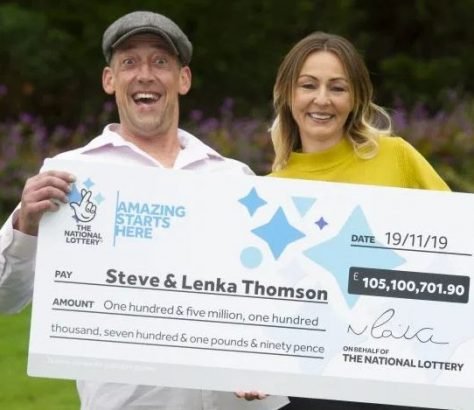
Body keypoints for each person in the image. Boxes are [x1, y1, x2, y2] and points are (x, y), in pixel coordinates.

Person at [0, 10, 288, 410]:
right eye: (130, 62)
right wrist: (25, 225)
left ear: (183, 79)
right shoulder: (68, 176)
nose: (145, 75)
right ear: (109, 79)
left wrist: (266, 360)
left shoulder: (233, 177)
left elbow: (273, 296)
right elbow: (6, 299)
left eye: (160, 62)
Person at [269, 32, 450, 410]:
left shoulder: (395, 156)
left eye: (337, 88)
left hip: (405, 377)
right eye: (308, 85)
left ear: (355, 99)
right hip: (316, 390)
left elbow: (459, 246)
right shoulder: (268, 193)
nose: (322, 99)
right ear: (287, 93)